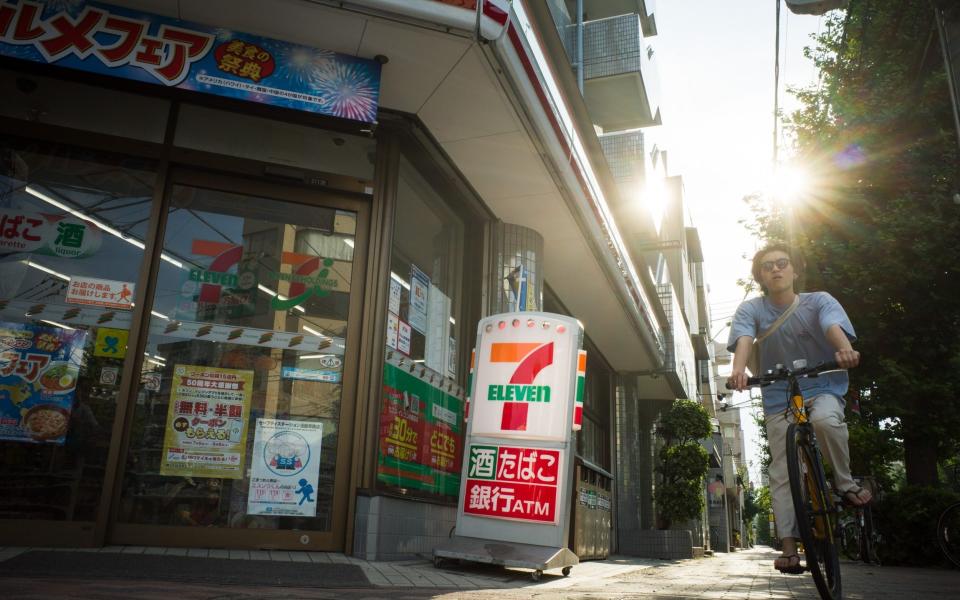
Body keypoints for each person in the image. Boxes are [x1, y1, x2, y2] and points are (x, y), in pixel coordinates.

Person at [726, 242, 871, 574]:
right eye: (768, 266)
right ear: (761, 277)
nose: (776, 269)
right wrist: (738, 370)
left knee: (826, 421)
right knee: (781, 471)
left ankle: (844, 484)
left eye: (782, 263)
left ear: (794, 270)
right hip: (779, 396)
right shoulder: (752, 309)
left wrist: (845, 350)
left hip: (822, 386)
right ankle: (790, 549)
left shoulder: (819, 301)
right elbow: (745, 339)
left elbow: (832, 326)